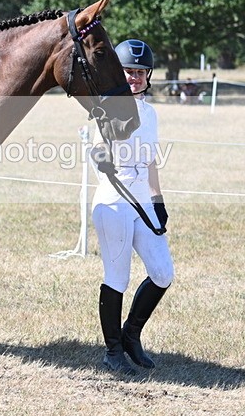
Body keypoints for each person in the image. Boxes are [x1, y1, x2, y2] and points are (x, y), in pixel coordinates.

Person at [90, 38, 175, 375]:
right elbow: (96, 147)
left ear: (148, 74)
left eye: (140, 72)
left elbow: (152, 160)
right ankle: (112, 352)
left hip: (143, 198)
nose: (134, 77)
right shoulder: (106, 105)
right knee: (118, 277)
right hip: (114, 199)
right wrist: (102, 159)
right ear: (119, 72)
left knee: (163, 272)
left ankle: (130, 336)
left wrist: (158, 200)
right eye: (129, 71)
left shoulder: (151, 113)